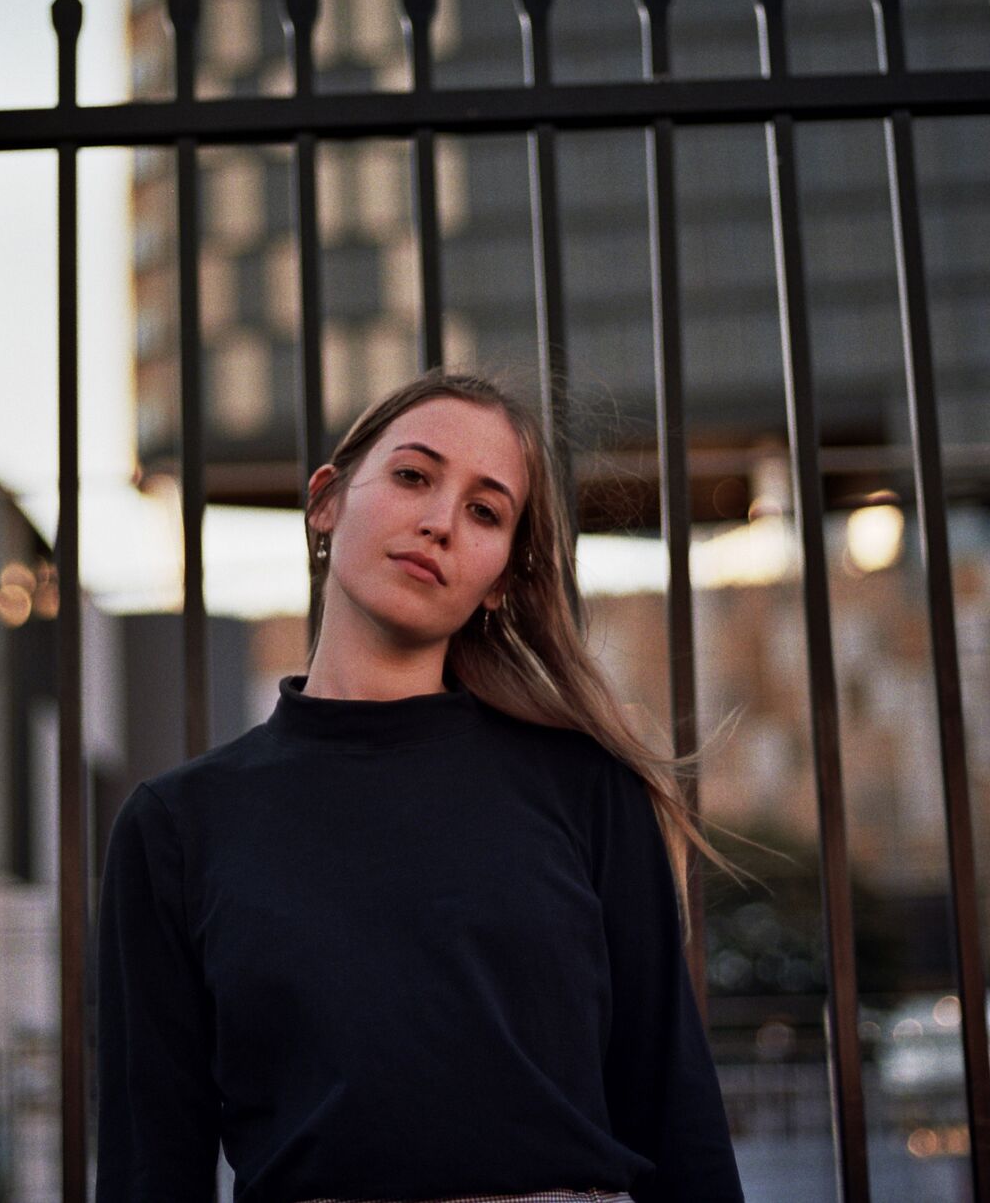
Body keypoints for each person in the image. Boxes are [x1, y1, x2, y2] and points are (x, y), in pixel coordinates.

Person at [96, 367, 755, 1202]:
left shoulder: (588, 789)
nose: (440, 521)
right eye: (413, 476)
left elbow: (676, 1117)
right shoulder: (178, 826)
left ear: (502, 578)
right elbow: (150, 1165)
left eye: (485, 511)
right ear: (326, 501)